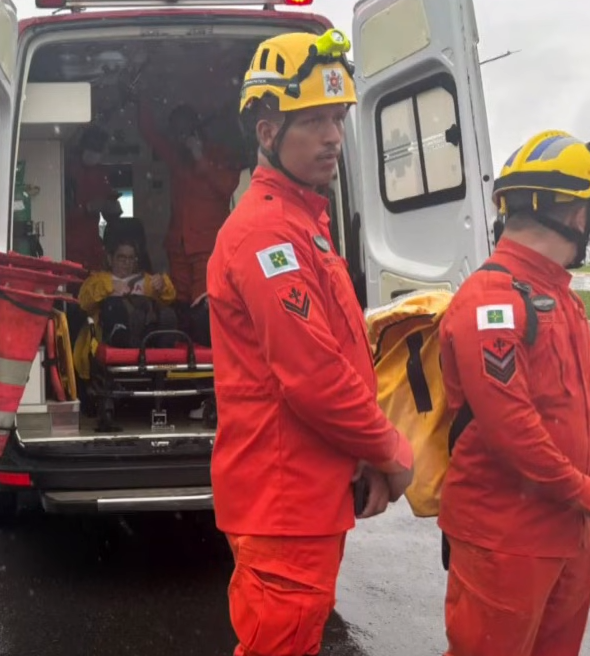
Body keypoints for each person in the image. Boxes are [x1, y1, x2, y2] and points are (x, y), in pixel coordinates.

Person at [206, 29, 415, 656]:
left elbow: (336, 357)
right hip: (283, 502)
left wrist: (359, 456)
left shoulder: (303, 223)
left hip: (303, 492)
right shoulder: (269, 234)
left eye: (339, 119)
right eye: (315, 121)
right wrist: (390, 450)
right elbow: (315, 376)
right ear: (268, 132)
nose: (333, 137)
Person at [436, 130, 590, 656]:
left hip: (567, 534)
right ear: (575, 217)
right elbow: (513, 433)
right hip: (506, 543)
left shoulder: (559, 299)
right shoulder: (490, 303)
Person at [136, 96, 239, 311]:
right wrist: (140, 97)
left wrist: (200, 156)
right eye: (176, 132)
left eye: (184, 131)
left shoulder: (219, 154)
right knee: (179, 302)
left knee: (204, 301)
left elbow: (228, 186)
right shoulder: (177, 157)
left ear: (196, 129)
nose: (179, 137)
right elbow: (150, 134)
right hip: (178, 245)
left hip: (208, 247)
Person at [71, 236, 178, 382]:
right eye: (122, 258)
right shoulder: (98, 280)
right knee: (114, 304)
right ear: (110, 259)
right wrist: (111, 287)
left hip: (144, 333)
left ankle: (159, 345)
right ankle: (126, 336)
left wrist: (163, 285)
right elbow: (83, 301)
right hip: (110, 334)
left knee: (166, 313)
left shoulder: (145, 280)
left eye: (131, 258)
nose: (127, 263)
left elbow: (169, 298)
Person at [65, 125, 123, 272]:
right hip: (69, 246)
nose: (94, 152)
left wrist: (111, 207)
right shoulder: (67, 170)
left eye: (99, 148)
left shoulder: (101, 174)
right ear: (83, 145)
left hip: (92, 247)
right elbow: (58, 211)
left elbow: (113, 215)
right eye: (92, 146)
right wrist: (87, 208)